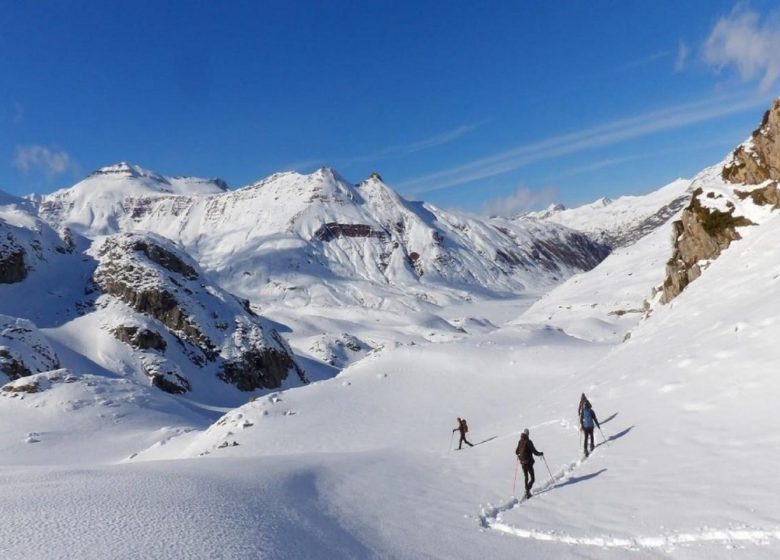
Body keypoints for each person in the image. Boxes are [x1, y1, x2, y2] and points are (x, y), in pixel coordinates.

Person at [515, 428, 543, 499]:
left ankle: (526, 491)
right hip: (528, 463)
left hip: (522, 463)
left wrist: (520, 455)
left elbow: (516, 452)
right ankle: (527, 491)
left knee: (526, 477)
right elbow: (535, 452)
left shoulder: (520, 441)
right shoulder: (528, 442)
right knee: (532, 478)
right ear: (528, 434)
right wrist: (541, 453)